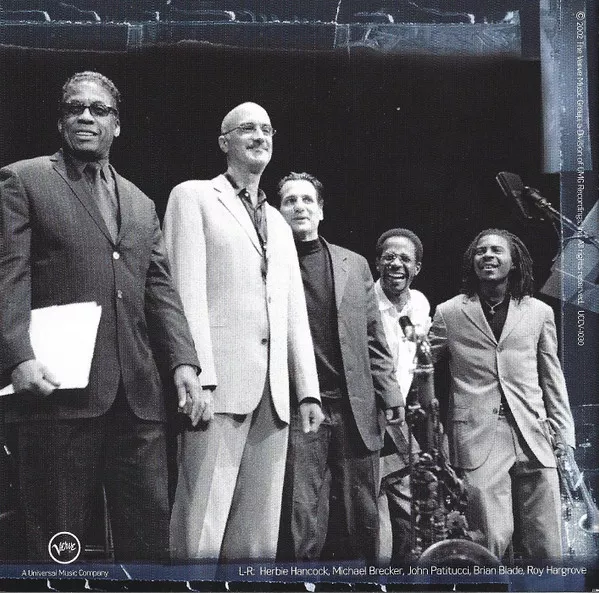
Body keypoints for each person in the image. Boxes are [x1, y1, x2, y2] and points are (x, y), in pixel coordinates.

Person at [0, 71, 206, 562]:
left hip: (137, 397)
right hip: (58, 391)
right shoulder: (23, 179)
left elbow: (160, 290)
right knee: (57, 541)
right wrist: (18, 357)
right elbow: (8, 275)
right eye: (75, 108)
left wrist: (184, 362)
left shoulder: (140, 201)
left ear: (117, 124)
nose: (86, 117)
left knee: (147, 539)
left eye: (99, 109)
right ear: (60, 122)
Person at [163, 103, 322, 562]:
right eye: (247, 128)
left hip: (273, 393)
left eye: (267, 129)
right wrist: (198, 375)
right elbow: (185, 291)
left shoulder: (279, 222)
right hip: (217, 387)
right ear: (224, 142)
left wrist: (307, 391)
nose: (259, 136)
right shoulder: (193, 196)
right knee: (201, 527)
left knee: (258, 541)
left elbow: (293, 311)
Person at [277, 172, 403, 564]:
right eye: (290, 200)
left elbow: (374, 336)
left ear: (321, 211)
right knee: (302, 515)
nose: (299, 207)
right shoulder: (268, 262)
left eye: (307, 200)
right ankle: (302, 585)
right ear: (278, 211)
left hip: (355, 408)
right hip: (300, 408)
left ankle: (366, 583)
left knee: (362, 514)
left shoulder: (355, 264)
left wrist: (390, 393)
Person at [428, 228, 576, 560]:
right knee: (489, 538)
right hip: (478, 435)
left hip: (534, 433)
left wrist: (565, 435)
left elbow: (552, 377)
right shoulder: (449, 312)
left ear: (514, 262)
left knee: (548, 541)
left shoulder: (538, 312)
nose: (488, 256)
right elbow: (420, 366)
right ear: (472, 262)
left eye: (497, 250)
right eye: (481, 251)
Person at [374, 228, 430, 564]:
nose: (396, 264)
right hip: (367, 415)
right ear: (377, 263)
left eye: (405, 259)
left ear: (417, 268)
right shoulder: (363, 300)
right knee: (375, 502)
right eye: (389, 257)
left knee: (408, 501)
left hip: (399, 417)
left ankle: (405, 578)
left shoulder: (420, 303)